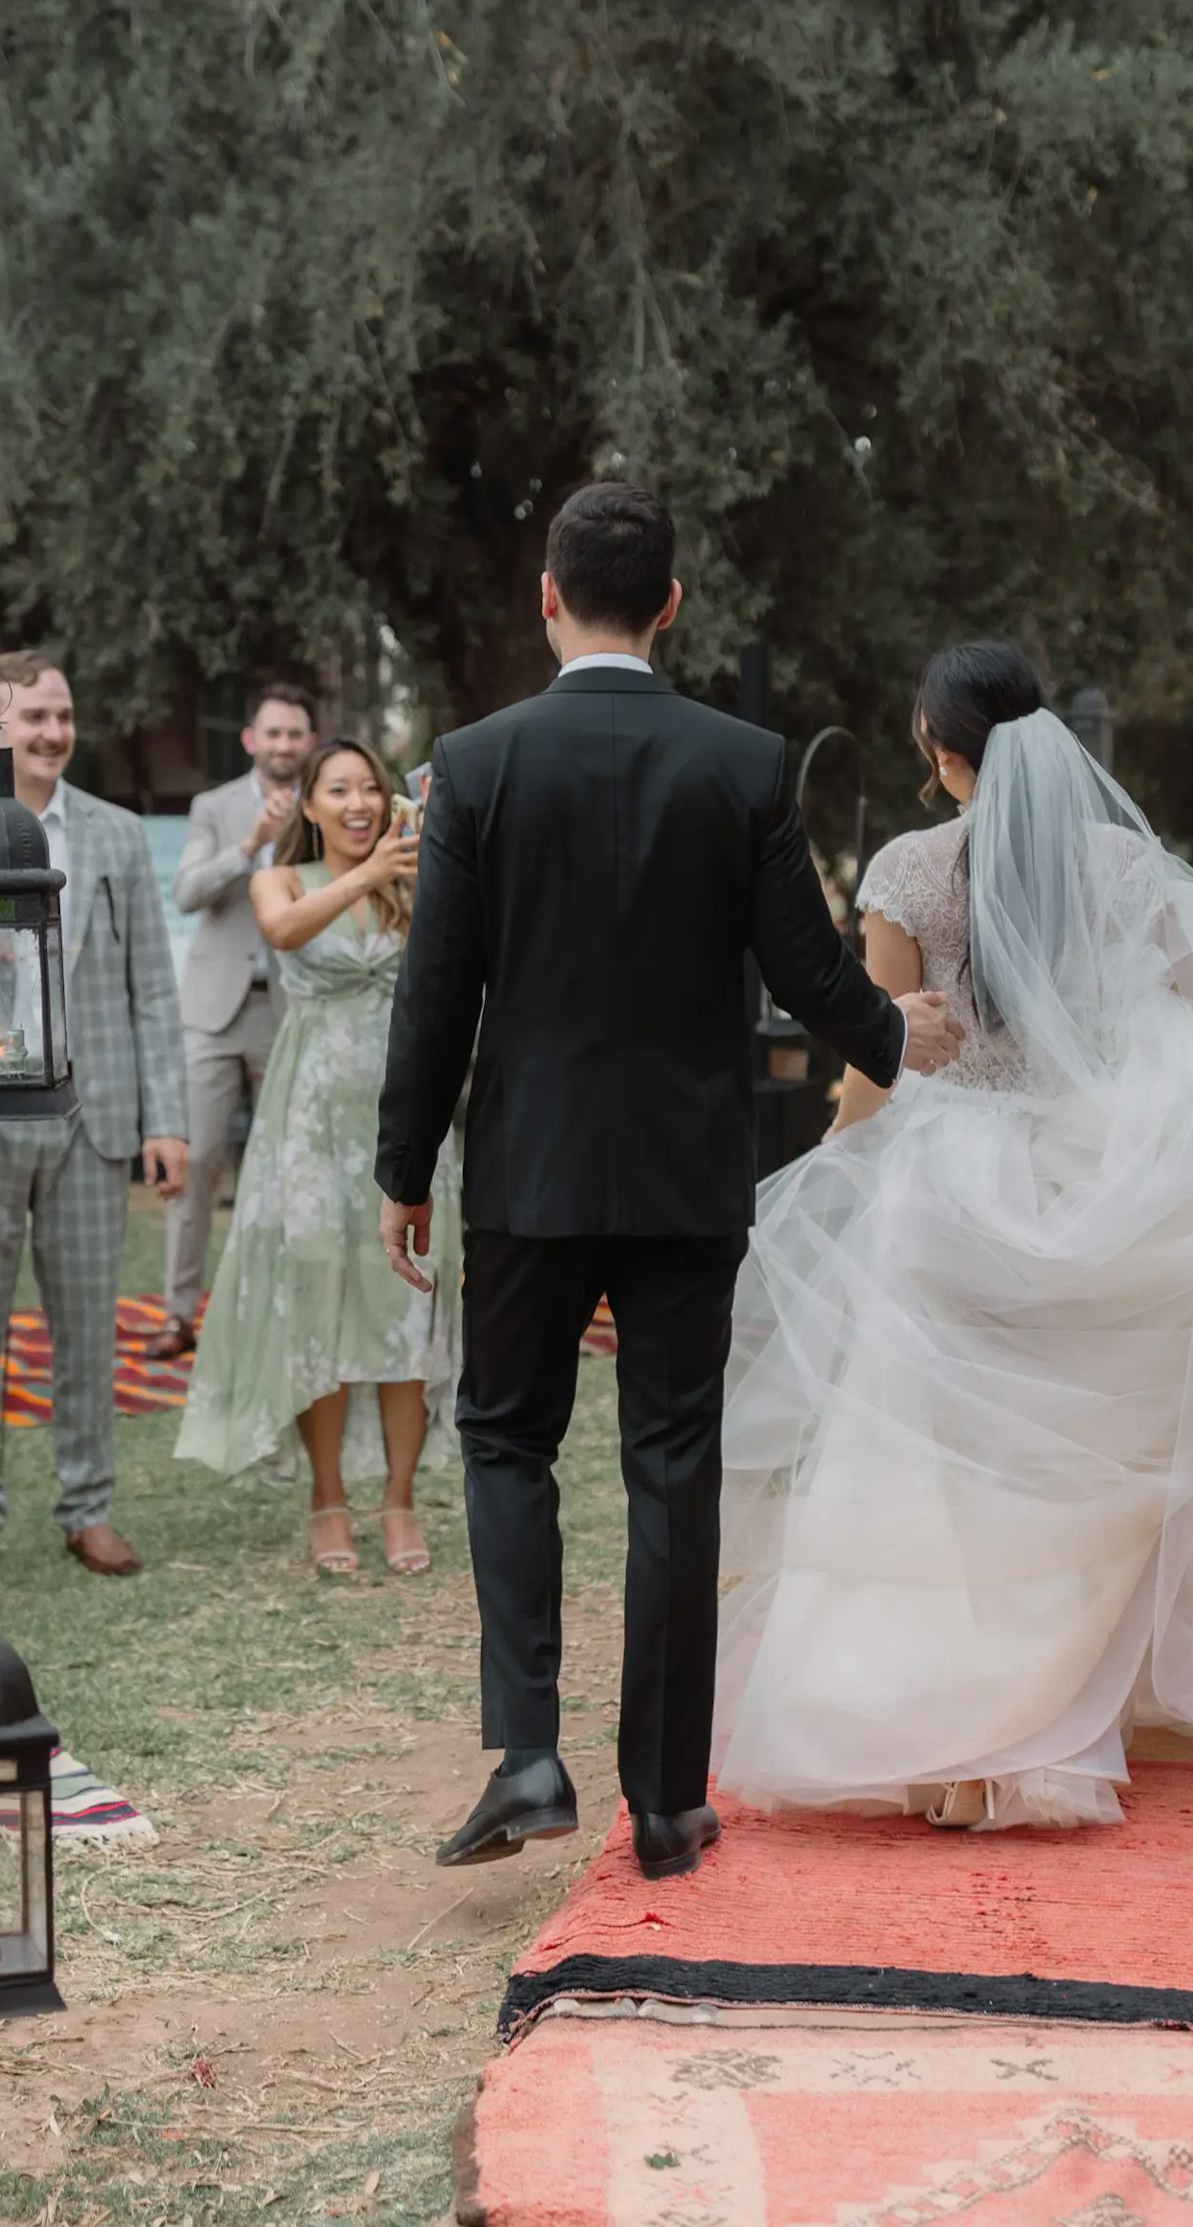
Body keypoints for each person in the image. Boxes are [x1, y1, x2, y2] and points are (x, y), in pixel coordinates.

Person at [375, 481, 963, 1882]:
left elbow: (435, 988)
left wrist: (404, 1164)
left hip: (527, 1169)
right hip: (692, 1171)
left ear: (546, 593)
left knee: (507, 1438)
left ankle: (528, 1747)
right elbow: (806, 966)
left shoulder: (478, 759)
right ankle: (663, 1799)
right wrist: (899, 1035)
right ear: (674, 605)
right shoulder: (745, 763)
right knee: (672, 1464)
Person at [714, 645, 1193, 1829]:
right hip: (1094, 1183)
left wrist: (842, 1158)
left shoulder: (911, 870)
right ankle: (1047, 1722)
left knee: (936, 1462)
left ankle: (931, 1728)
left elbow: (882, 1055)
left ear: (941, 751)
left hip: (953, 1188)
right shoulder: (1120, 864)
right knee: (1064, 1473)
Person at [0, 653, 190, 1578]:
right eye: (35, 718)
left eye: (64, 715)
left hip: (90, 1114)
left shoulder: (116, 833)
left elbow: (152, 985)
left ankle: (88, 1504)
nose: (55, 732)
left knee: (87, 1324)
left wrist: (165, 1118)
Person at [176, 735, 457, 1576]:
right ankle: (327, 1498)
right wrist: (373, 876)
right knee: (320, 1302)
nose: (359, 804)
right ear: (310, 806)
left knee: (407, 1299)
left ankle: (399, 1500)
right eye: (338, 791)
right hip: (309, 1123)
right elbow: (285, 929)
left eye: (370, 788)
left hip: (403, 1113)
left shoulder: (419, 883)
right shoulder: (281, 877)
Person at [157, 682, 323, 1359]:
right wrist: (251, 842)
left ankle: (274, 1307)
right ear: (251, 739)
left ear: (309, 742)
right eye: (273, 733)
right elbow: (188, 891)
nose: (284, 745)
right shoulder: (214, 806)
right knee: (196, 1162)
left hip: (290, 1004)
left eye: (296, 734)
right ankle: (176, 1312)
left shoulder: (327, 802)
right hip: (213, 1010)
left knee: (284, 1164)